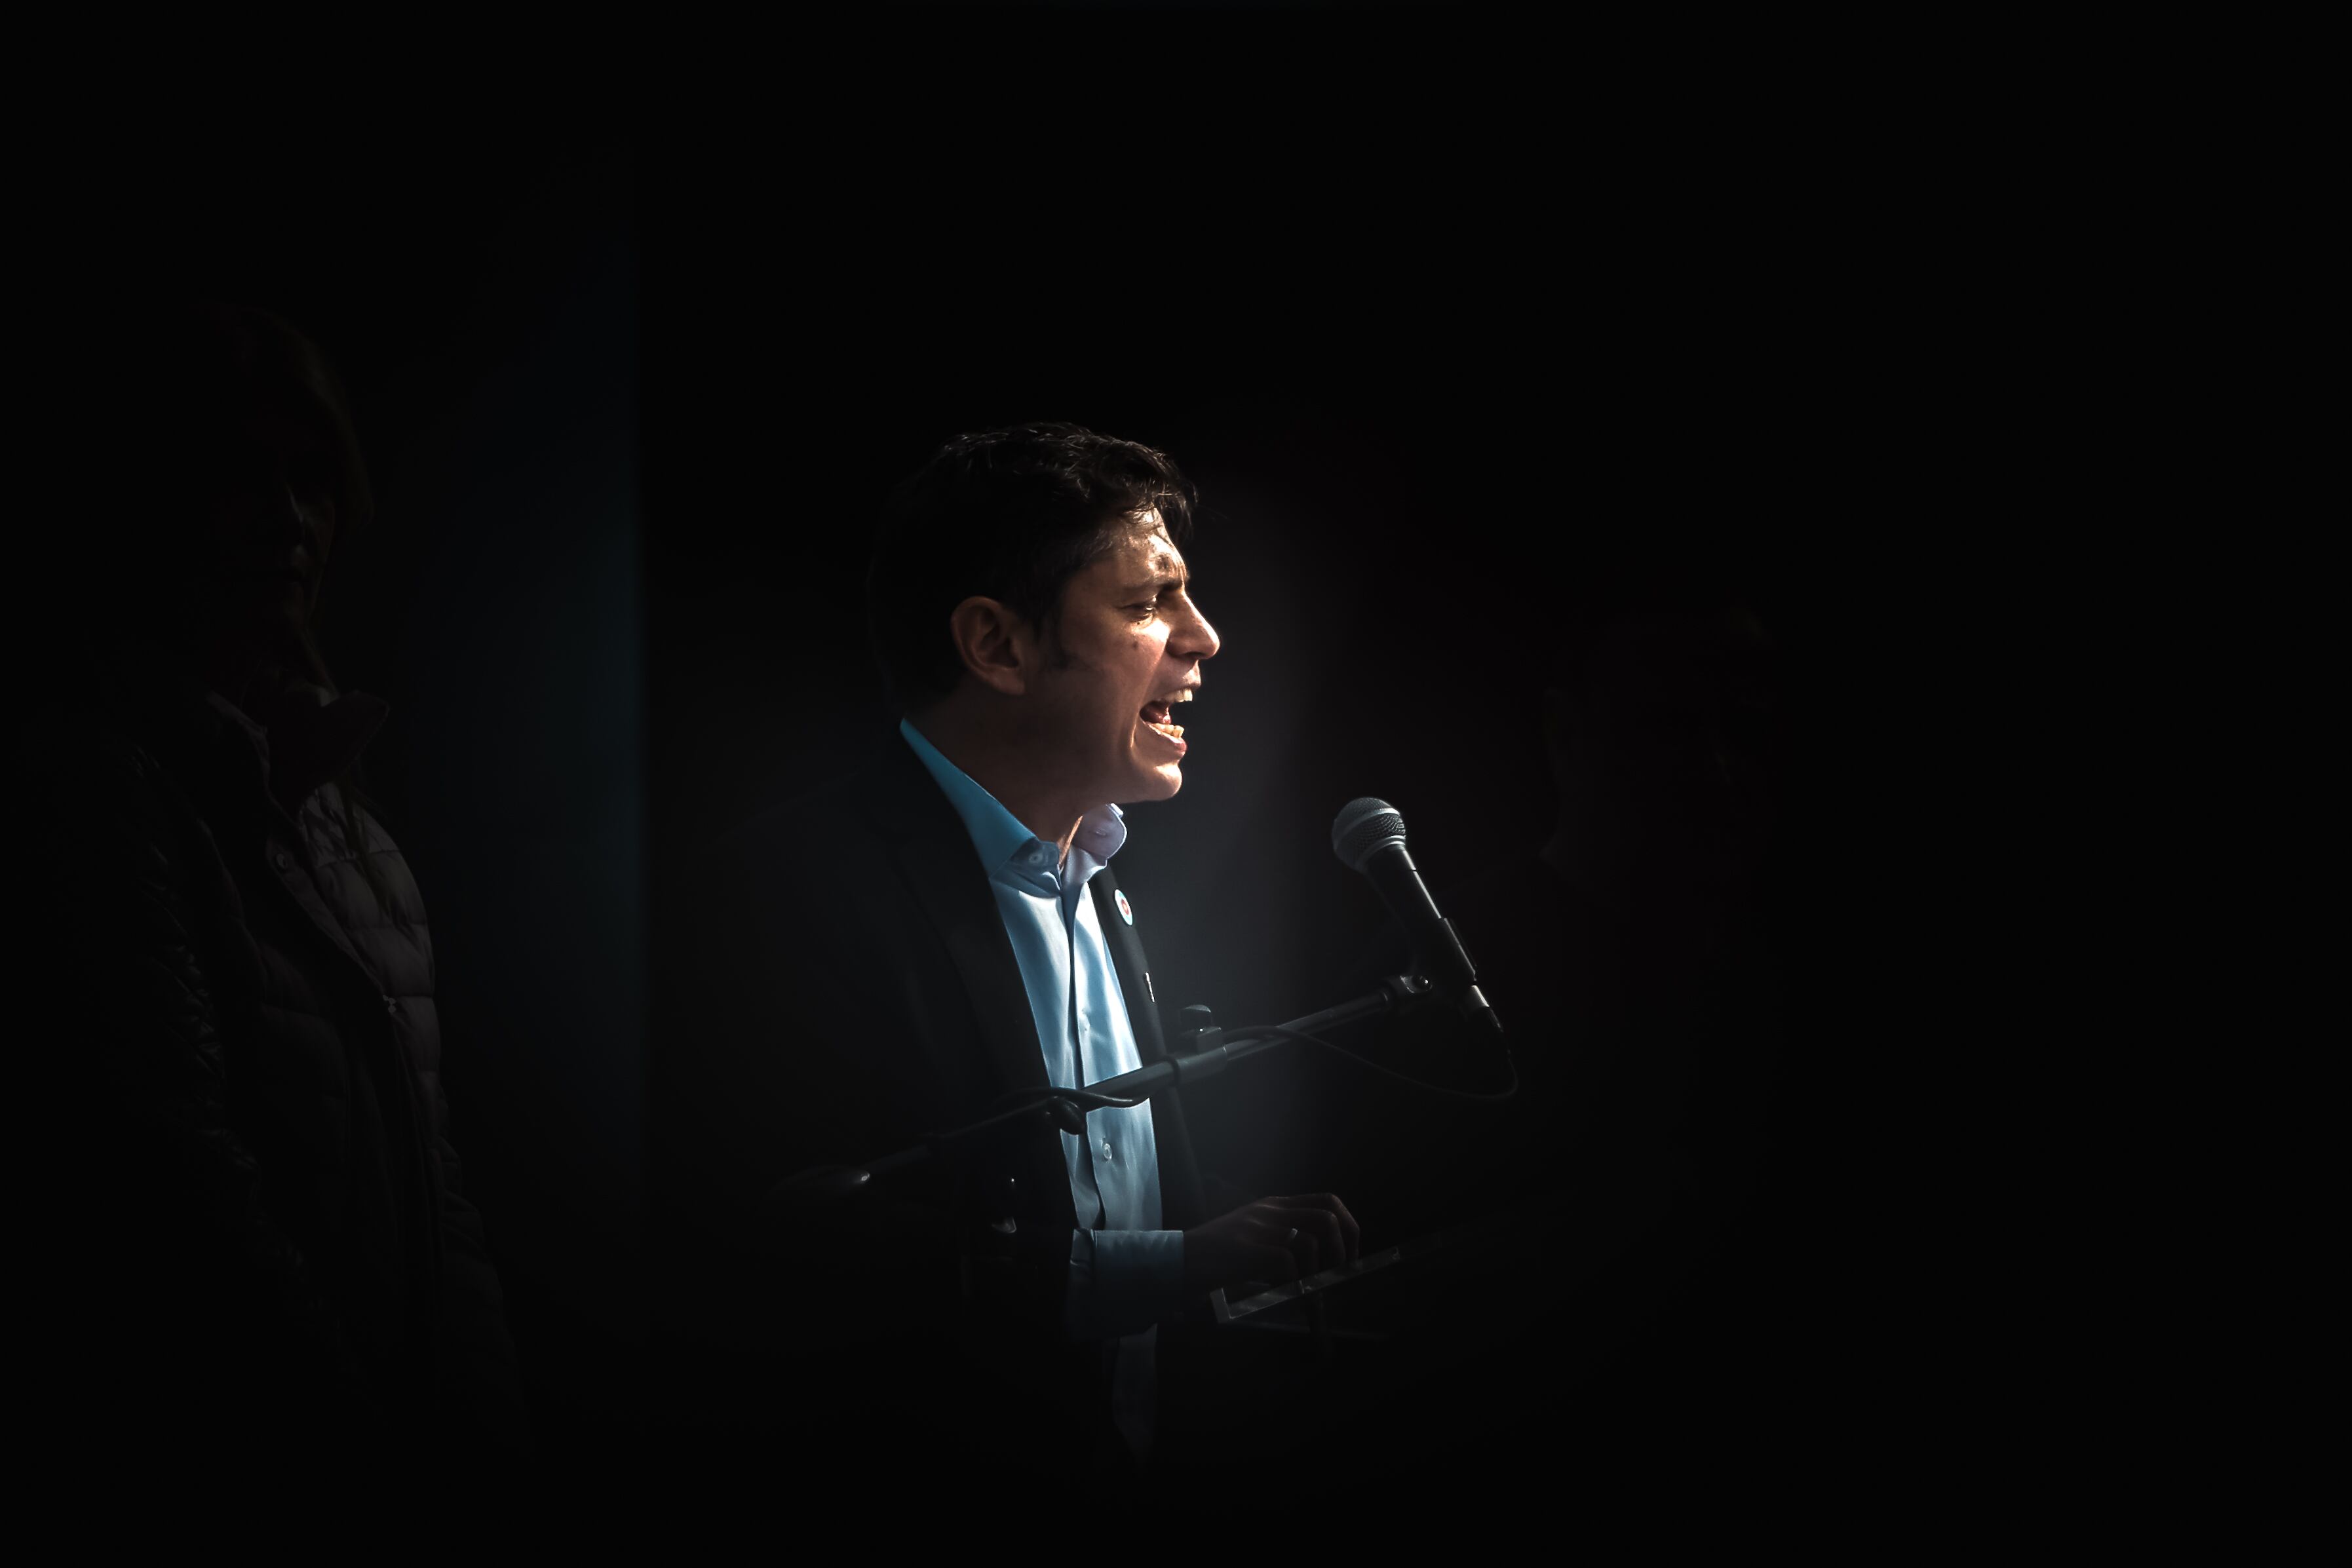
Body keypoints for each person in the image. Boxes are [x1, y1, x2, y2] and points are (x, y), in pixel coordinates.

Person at [651, 421, 1358, 1485]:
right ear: (997, 646)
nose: (1202, 637)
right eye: (1147, 601)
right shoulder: (784, 892)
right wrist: (1180, 1263)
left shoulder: (1103, 889)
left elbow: (1084, 1199)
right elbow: (807, 1256)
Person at [12, 301, 529, 1485]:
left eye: (313, 479)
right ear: (136, 497)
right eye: (235, 475)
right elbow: (175, 1183)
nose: (288, 519)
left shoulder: (358, 838)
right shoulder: (89, 790)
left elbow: (436, 1188)